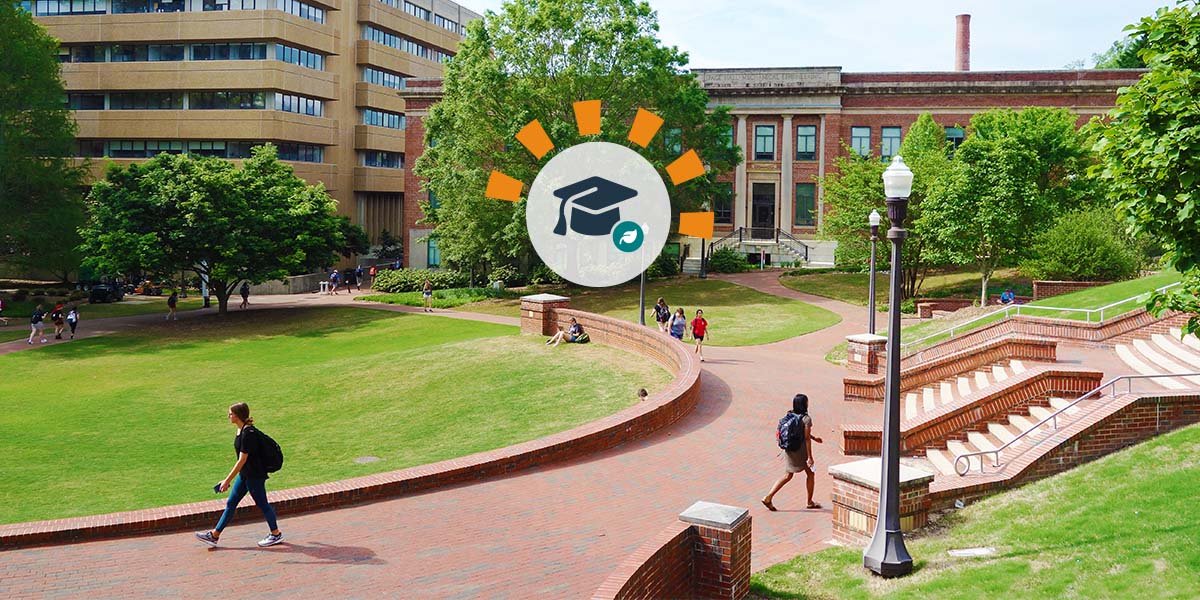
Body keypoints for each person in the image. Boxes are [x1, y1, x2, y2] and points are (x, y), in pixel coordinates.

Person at [195, 402, 284, 548]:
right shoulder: (241, 430)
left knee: (262, 504)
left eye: (230, 413)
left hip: (254, 475)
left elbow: (242, 460)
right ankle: (214, 536)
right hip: (245, 475)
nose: (228, 416)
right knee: (231, 503)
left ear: (238, 416)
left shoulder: (248, 434)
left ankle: (276, 534)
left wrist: (227, 480)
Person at [762, 393, 824, 511]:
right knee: (810, 473)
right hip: (800, 451)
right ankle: (809, 502)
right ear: (804, 404)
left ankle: (769, 497)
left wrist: (814, 438)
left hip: (789, 449)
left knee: (788, 475)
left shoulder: (790, 415)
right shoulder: (806, 418)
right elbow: (805, 438)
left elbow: (801, 433)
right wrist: (810, 457)